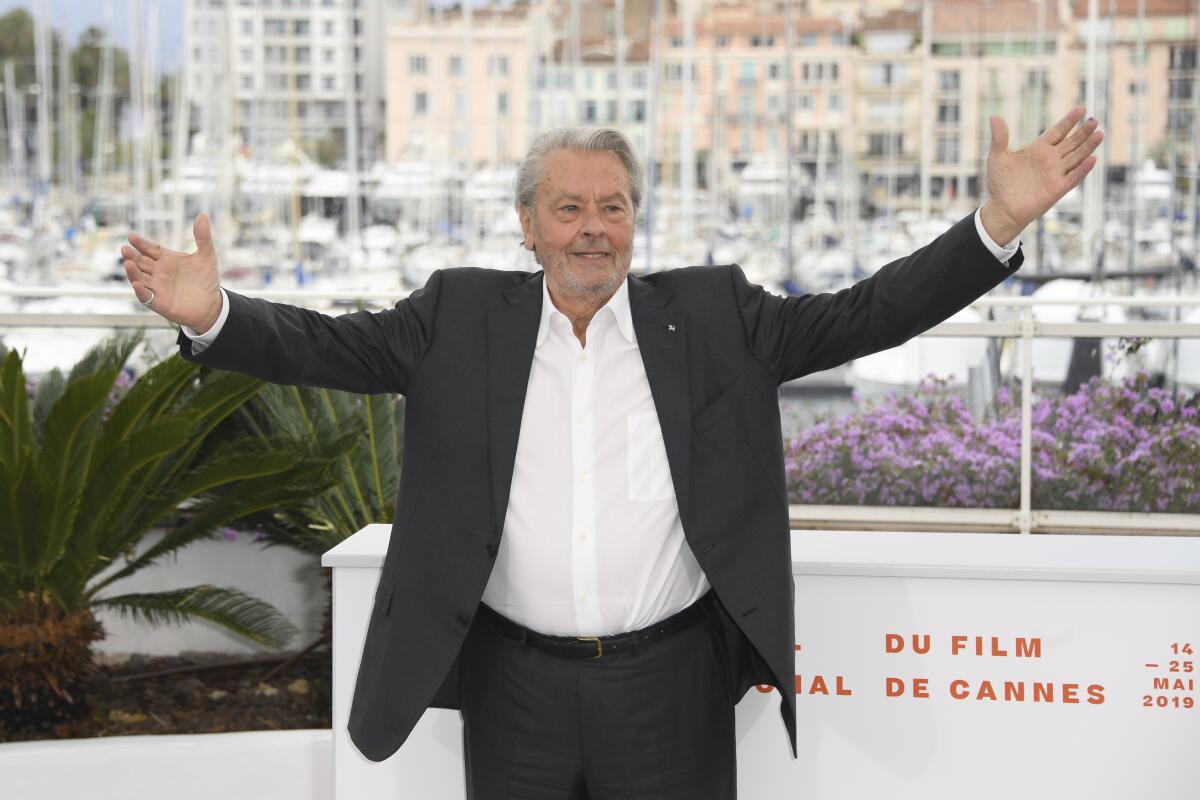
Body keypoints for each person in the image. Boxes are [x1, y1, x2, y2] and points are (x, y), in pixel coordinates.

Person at [122, 107, 1102, 799]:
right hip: (512, 684)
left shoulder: (718, 317)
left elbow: (870, 312)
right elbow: (325, 348)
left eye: (614, 206)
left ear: (636, 217)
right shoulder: (458, 318)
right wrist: (216, 315)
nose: (594, 228)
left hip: (669, 685)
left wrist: (998, 224)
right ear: (528, 224)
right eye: (570, 207)